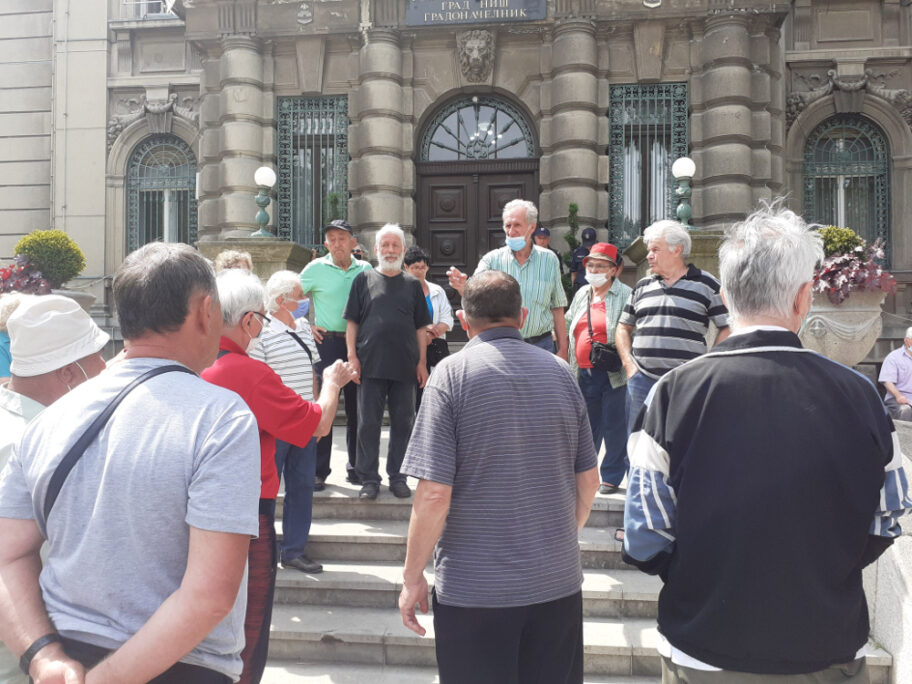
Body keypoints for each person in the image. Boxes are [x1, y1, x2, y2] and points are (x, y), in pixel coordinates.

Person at [623, 203, 912, 683]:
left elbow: (645, 533)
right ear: (803, 299)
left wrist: (701, 575)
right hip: (826, 645)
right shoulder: (860, 394)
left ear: (726, 295)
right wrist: (824, 569)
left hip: (704, 646)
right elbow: (890, 512)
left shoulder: (671, 392)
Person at [0, 242, 261, 683]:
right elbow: (211, 594)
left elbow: (7, 557)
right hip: (181, 664)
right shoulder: (221, 416)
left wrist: (43, 656)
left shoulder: (49, 419)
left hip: (64, 658)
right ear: (205, 310)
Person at [398, 270, 599, 684]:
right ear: (522, 316)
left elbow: (434, 495)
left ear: (463, 320)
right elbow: (590, 481)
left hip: (475, 593)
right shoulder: (561, 373)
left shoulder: (450, 377)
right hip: (556, 585)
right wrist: (559, 539)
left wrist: (412, 576)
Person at [202, 268, 357, 684]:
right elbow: (320, 425)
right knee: (248, 630)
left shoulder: (189, 366)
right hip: (247, 514)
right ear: (250, 321)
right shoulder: (247, 373)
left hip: (190, 507)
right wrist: (331, 382)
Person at [0, 295, 108, 684]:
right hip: (26, 654)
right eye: (98, 359)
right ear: (70, 373)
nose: (105, 370)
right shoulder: (45, 442)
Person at [615, 219, 731, 433]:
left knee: (685, 445)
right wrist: (629, 367)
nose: (649, 255)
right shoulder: (642, 286)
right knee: (637, 448)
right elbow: (623, 327)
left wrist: (709, 363)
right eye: (649, 250)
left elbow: (728, 325)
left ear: (677, 250)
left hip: (687, 383)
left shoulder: (707, 284)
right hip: (641, 381)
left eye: (655, 249)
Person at [344, 224, 431, 500]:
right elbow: (352, 323)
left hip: (405, 365)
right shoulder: (363, 280)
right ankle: (369, 478)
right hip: (370, 364)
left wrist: (422, 363)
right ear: (377, 249)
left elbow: (420, 328)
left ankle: (398, 476)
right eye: (385, 245)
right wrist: (352, 357)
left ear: (403, 250)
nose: (390, 250)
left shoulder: (412, 285)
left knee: (404, 423)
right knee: (367, 423)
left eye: (395, 245)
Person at [250, 270, 324, 574]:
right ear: (282, 300)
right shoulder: (261, 334)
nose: (305, 300)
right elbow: (261, 381)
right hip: (276, 425)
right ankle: (259, 549)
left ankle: (293, 549)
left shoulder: (305, 327)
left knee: (302, 486)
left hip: (304, 421)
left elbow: (312, 371)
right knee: (266, 488)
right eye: (300, 296)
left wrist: (317, 410)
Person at [299, 219, 373, 489]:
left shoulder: (365, 269)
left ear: (353, 242)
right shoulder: (315, 269)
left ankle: (356, 468)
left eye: (343, 238)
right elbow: (285, 297)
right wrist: (305, 324)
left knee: (358, 408)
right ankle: (319, 470)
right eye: (332, 238)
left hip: (359, 345)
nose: (338, 243)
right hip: (326, 343)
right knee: (324, 406)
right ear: (326, 243)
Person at [447, 199, 568, 359]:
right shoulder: (492, 260)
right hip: (500, 347)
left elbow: (557, 308)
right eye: (507, 226)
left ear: (532, 227)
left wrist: (563, 349)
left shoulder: (549, 260)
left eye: (517, 225)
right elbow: (474, 294)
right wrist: (463, 286)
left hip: (542, 347)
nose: (511, 231)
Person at [565, 243, 632, 495]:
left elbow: (633, 329)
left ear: (614, 270)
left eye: (600, 266)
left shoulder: (626, 294)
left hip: (613, 372)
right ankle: (585, 474)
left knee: (615, 425)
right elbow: (571, 320)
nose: (593, 270)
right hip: (583, 371)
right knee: (585, 426)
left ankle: (611, 477)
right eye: (590, 265)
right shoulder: (583, 293)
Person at [403, 245, 453, 408]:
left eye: (422, 267)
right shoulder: (400, 292)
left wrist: (431, 334)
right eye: (414, 267)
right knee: (414, 395)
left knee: (437, 391)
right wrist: (421, 333)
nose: (419, 271)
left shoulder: (437, 290)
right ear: (406, 267)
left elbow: (447, 319)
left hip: (435, 347)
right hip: (409, 349)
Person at [879, 327, 912, 422]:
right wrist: (899, 396)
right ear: (907, 341)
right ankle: (904, 437)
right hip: (897, 399)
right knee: (905, 410)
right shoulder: (894, 357)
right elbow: (887, 381)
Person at [569, 226, 597, 293]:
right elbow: (573, 273)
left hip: (597, 289)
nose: (589, 247)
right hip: (582, 289)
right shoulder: (577, 252)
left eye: (591, 244)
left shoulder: (603, 250)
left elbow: (619, 263)